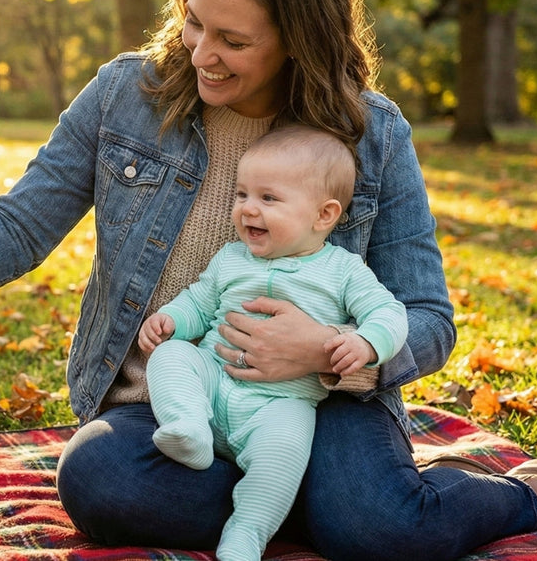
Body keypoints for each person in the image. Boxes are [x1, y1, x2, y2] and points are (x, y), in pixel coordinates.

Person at [0, 0, 537, 560]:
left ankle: (526, 494)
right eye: (192, 20)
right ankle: (306, 500)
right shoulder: (126, 95)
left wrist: (327, 352)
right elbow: (23, 220)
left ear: (297, 40)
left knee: (382, 532)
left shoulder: (369, 135)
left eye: (233, 41)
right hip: (173, 399)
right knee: (98, 480)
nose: (199, 51)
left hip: (315, 403)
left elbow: (428, 316)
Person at [137, 124, 408, 561]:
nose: (247, 209)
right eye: (241, 195)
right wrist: (171, 320)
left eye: (268, 198)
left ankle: (247, 534)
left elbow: (390, 313)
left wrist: (365, 343)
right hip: (214, 379)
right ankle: (188, 426)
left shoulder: (343, 270)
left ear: (324, 215)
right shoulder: (230, 258)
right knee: (172, 356)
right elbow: (200, 302)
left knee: (282, 456)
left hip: (278, 405)